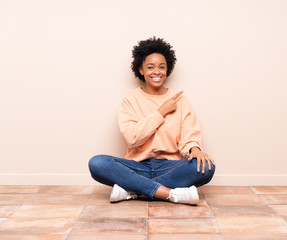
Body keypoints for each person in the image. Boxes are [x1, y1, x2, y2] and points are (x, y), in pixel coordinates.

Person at [88, 37, 215, 205]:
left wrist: (196, 150)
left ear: (167, 69)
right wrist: (160, 112)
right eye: (150, 67)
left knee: (207, 167)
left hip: (171, 167)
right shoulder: (131, 99)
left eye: (162, 67)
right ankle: (169, 194)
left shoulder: (180, 100)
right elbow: (133, 138)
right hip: (137, 167)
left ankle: (134, 190)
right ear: (141, 70)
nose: (157, 72)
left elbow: (189, 137)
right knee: (97, 163)